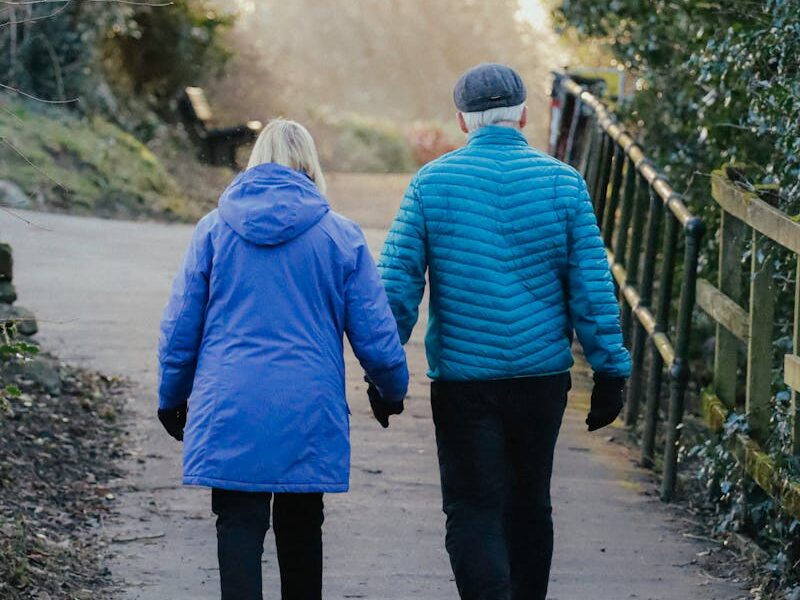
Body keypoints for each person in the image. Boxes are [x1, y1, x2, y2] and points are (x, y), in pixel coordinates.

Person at [377, 63, 631, 600]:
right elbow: (592, 285)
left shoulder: (431, 183)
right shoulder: (563, 183)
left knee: (472, 507)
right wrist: (610, 369)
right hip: (541, 379)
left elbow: (396, 286)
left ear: (462, 121)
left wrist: (385, 373)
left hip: (464, 382)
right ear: (523, 115)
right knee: (530, 505)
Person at [156, 118, 408, 600]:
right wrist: (389, 389)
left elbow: (180, 326)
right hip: (306, 409)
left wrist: (172, 396)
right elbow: (376, 332)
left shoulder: (213, 231)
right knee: (301, 527)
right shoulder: (340, 237)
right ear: (311, 165)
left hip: (230, 404)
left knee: (237, 524)